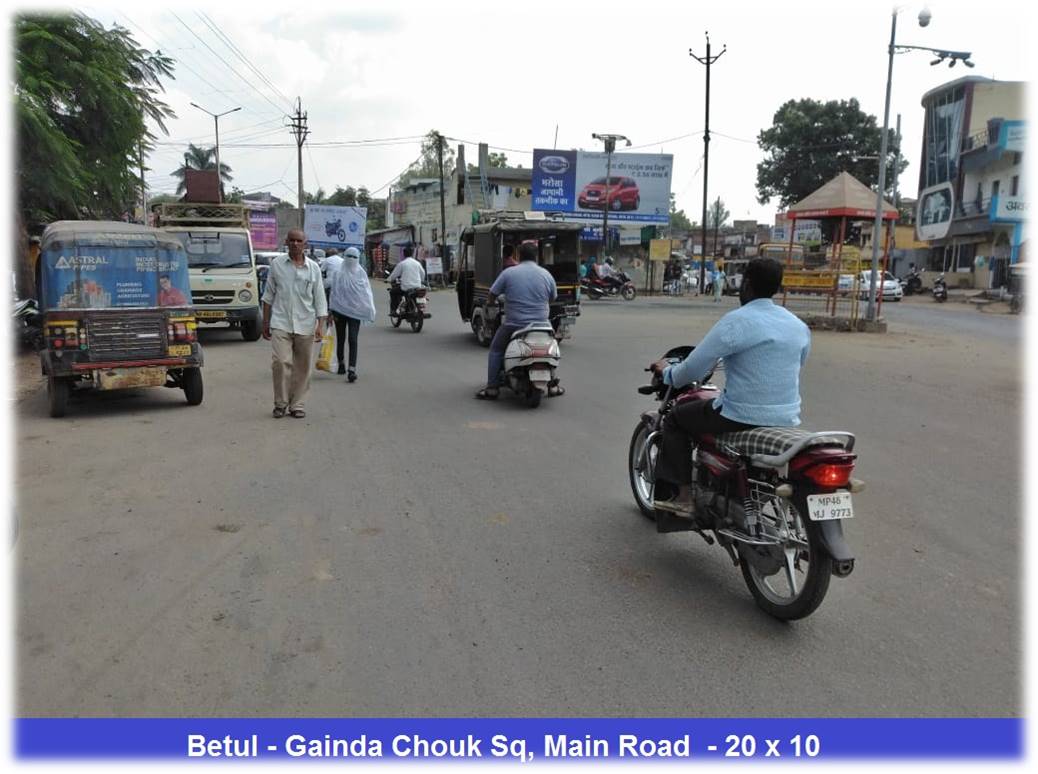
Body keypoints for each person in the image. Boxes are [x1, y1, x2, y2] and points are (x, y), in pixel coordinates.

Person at [650, 257, 810, 514]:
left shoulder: (737, 321)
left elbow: (692, 369)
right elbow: (798, 362)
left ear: (746, 284)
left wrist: (668, 373)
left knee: (676, 418)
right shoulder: (797, 325)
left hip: (740, 416)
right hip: (786, 417)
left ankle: (683, 497)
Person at [476, 241, 563, 400]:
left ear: (519, 256)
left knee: (496, 350)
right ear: (536, 257)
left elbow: (492, 294)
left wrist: (490, 303)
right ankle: (553, 386)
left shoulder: (509, 273)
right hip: (542, 324)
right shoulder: (546, 274)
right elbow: (553, 298)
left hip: (515, 324)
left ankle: (492, 388)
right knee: (550, 348)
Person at [261, 229, 327, 419]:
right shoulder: (277, 265)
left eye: (299, 241)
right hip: (281, 322)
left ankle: (297, 404)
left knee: (303, 367)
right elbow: (268, 296)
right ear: (286, 242)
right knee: (280, 362)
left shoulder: (313, 268)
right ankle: (280, 403)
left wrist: (320, 325)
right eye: (292, 240)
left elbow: (319, 298)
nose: (295, 244)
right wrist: (265, 322)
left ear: (305, 243)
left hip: (306, 323)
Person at [328, 246, 376, 382]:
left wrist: (370, 309)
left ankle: (352, 369)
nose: (351, 259)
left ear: (358, 259)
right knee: (341, 338)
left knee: (353, 339)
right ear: (344, 257)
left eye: (354, 257)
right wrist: (331, 310)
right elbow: (334, 293)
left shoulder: (361, 274)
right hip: (339, 310)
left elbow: (366, 293)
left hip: (355, 311)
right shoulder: (338, 273)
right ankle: (341, 364)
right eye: (349, 256)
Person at [387, 245, 426, 316]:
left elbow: (394, 275)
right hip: (417, 286)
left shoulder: (402, 264)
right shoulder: (417, 263)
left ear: (404, 254)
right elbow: (423, 273)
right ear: (412, 254)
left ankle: (394, 310)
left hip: (406, 287)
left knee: (392, 292)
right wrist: (421, 281)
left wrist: (389, 280)